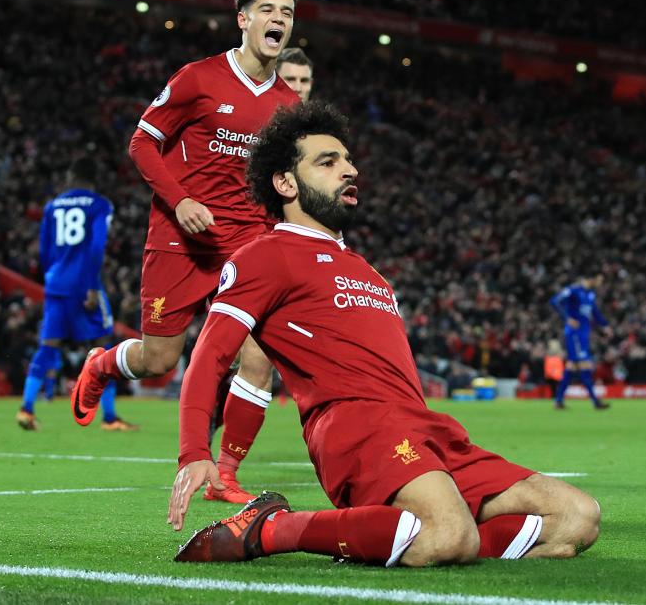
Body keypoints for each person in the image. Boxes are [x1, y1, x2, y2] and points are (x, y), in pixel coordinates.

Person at [168, 101, 601, 567]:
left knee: (578, 517)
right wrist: (194, 451)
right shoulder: (263, 256)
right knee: (449, 536)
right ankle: (271, 528)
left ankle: (387, 534)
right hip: (358, 428)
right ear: (285, 182)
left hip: (426, 427)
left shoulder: (367, 269)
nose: (349, 170)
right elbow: (209, 355)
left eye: (348, 160)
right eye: (327, 162)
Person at [71, 0, 300, 503]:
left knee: (258, 354)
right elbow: (142, 144)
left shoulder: (288, 106)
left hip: (246, 243)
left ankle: (225, 474)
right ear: (243, 19)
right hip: (180, 239)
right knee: (159, 361)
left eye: (287, 13)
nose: (278, 20)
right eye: (267, 10)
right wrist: (181, 201)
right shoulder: (198, 78)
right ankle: (103, 363)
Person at [205, 47, 317, 496]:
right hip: (245, 247)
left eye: (305, 83)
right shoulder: (251, 133)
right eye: (290, 81)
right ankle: (223, 472)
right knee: (254, 359)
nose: (298, 90)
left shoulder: (315, 142)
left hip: (298, 254)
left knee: (264, 361)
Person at [17, 158, 137, 432]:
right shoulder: (99, 204)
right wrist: (91, 286)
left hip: (56, 284)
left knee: (48, 345)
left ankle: (26, 408)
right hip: (84, 283)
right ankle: (109, 417)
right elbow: (96, 247)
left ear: (72, 177)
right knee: (103, 343)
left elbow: (45, 251)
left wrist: (54, 278)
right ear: (93, 180)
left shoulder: (52, 205)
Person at [549, 275, 611, 410]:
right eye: (598, 279)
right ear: (589, 278)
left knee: (572, 366)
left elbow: (595, 312)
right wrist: (567, 318)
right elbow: (554, 301)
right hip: (575, 333)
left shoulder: (590, 294)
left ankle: (558, 401)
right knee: (584, 364)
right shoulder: (573, 290)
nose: (600, 282)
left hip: (583, 333)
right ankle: (595, 402)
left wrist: (605, 326)